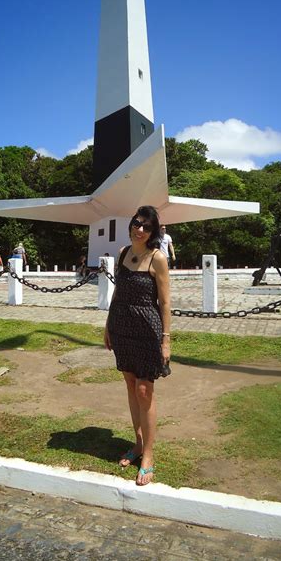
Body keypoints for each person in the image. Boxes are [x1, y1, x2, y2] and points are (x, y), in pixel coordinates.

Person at [104, 205, 171, 486]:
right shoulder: (122, 253)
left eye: (146, 226)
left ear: (153, 232)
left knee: (145, 389)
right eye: (136, 223)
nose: (139, 229)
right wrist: (108, 326)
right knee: (131, 385)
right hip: (122, 326)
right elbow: (117, 292)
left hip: (147, 328)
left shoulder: (157, 258)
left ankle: (149, 456)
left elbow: (165, 302)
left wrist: (166, 339)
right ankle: (138, 443)